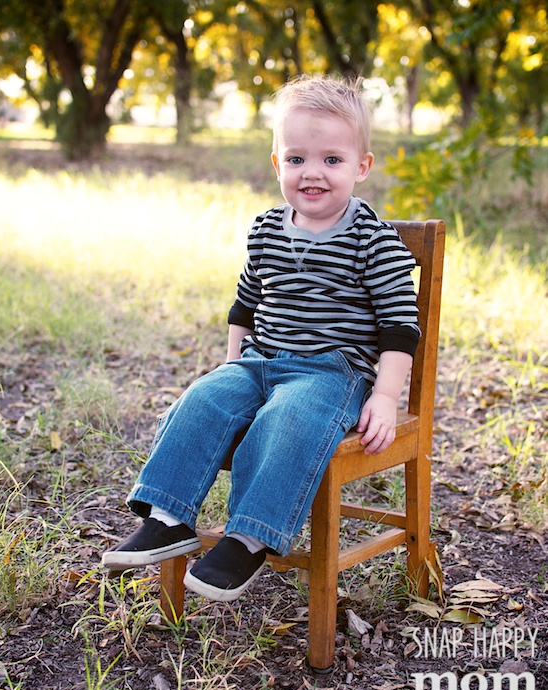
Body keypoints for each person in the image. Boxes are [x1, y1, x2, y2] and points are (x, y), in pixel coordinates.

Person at [101, 74, 420, 603]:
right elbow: (244, 305)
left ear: (362, 166)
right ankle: (167, 516)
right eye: (296, 159)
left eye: (332, 160)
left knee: (288, 417)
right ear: (278, 163)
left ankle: (248, 537)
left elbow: (399, 326)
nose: (312, 173)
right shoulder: (266, 229)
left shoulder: (373, 239)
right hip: (259, 361)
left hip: (329, 371)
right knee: (202, 398)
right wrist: (232, 367)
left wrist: (385, 397)